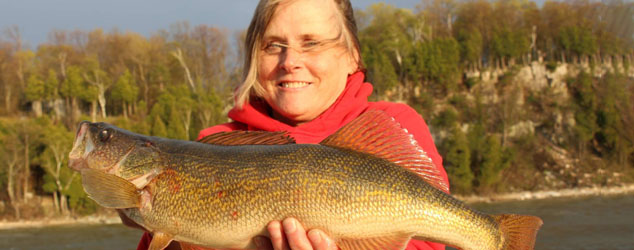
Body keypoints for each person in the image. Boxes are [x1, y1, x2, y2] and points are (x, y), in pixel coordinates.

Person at [135, 0, 450, 249]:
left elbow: (426, 243)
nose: (289, 61)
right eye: (273, 45)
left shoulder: (392, 125)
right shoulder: (217, 145)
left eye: (311, 43)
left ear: (353, 55)